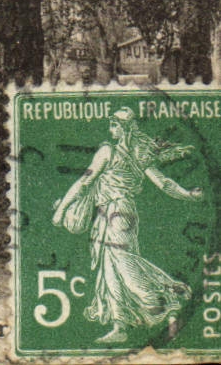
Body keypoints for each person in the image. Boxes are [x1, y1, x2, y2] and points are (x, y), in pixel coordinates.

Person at [51, 108, 204, 342]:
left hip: (116, 212)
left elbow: (85, 181)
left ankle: (166, 299)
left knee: (122, 263)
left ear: (123, 129)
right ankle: (119, 326)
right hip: (116, 213)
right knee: (110, 268)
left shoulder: (107, 151)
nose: (110, 130)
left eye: (114, 125)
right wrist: (188, 195)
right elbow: (164, 184)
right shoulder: (139, 154)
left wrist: (62, 210)